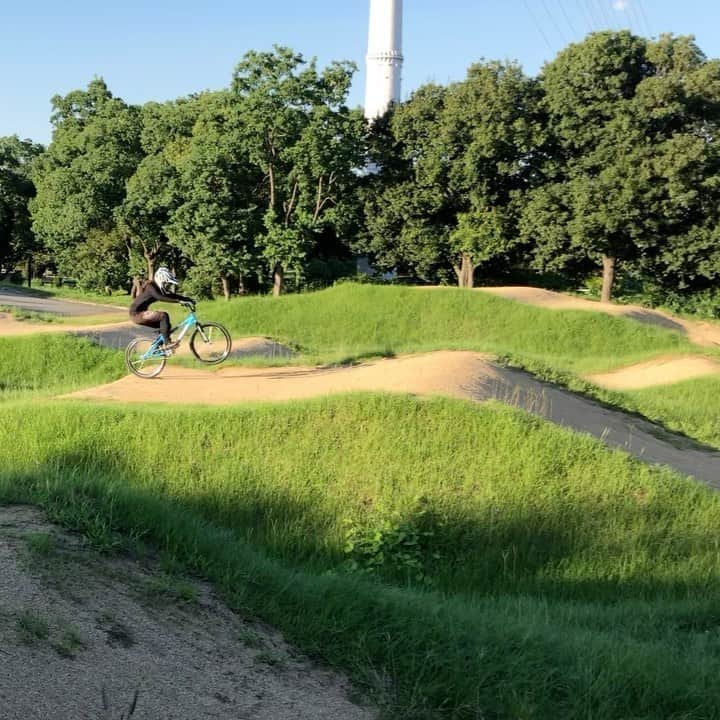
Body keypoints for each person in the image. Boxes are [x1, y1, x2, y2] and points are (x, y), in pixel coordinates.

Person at [129, 267, 195, 349]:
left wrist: (187, 299)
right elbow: (160, 297)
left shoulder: (157, 287)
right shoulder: (151, 287)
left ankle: (157, 348)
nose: (167, 286)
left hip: (140, 314)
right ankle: (167, 343)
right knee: (163, 316)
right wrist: (178, 301)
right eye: (166, 283)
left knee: (166, 326)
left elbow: (170, 295)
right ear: (160, 280)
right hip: (137, 314)